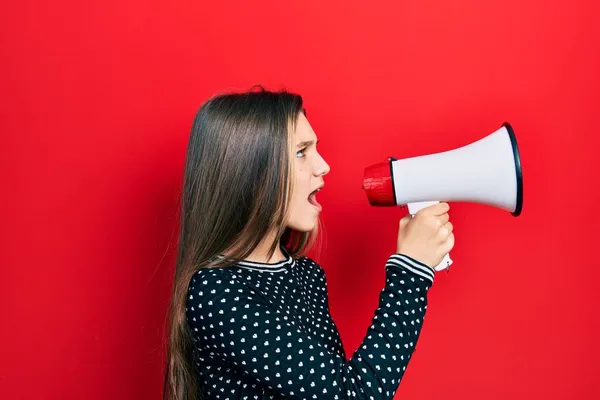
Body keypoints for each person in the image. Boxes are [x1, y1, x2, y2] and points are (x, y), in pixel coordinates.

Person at [163, 86, 454, 400]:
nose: (323, 166)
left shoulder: (308, 276)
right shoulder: (216, 292)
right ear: (251, 172)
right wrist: (410, 273)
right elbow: (352, 395)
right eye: (302, 151)